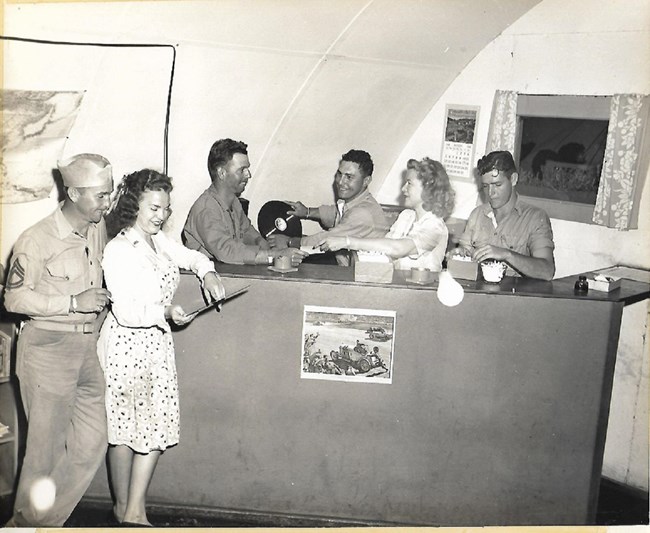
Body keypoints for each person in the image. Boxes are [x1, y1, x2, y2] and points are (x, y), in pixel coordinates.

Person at [98, 169, 226, 526]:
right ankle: (131, 511)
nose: (161, 216)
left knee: (148, 428)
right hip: (127, 346)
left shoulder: (159, 241)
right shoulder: (119, 249)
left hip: (154, 345)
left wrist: (208, 272)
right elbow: (125, 310)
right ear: (133, 205)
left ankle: (127, 510)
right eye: (154, 208)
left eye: (166, 209)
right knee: (126, 431)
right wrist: (165, 312)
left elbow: (191, 257)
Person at [2, 153, 114, 527]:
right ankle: (25, 527)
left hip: (87, 350)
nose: (107, 203)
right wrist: (71, 302)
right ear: (73, 192)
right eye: (100, 196)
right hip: (47, 351)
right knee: (43, 455)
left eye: (109, 194)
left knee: (91, 442)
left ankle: (37, 521)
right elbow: (14, 298)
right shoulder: (36, 239)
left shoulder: (96, 227)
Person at [183, 138, 304, 266]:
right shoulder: (206, 209)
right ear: (222, 173)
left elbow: (248, 233)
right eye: (242, 170)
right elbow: (227, 251)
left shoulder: (234, 202)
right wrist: (276, 256)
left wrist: (272, 248)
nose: (249, 175)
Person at [319, 158, 454, 272]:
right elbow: (385, 253)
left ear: (428, 188)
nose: (403, 189)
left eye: (409, 183)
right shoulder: (406, 216)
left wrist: (347, 241)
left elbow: (397, 248)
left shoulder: (435, 226)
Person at [268, 149, 390, 265]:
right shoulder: (357, 202)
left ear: (366, 181)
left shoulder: (363, 213)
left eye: (349, 177)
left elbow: (327, 239)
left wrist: (289, 242)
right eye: (339, 174)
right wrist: (307, 212)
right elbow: (335, 213)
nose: (341, 182)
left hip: (353, 274)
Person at [453, 150, 555, 280]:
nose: (491, 193)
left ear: (513, 179)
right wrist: (459, 254)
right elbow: (463, 253)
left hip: (513, 297)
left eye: (497, 185)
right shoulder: (477, 215)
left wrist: (507, 255)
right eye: (485, 186)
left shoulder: (535, 218)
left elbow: (547, 271)